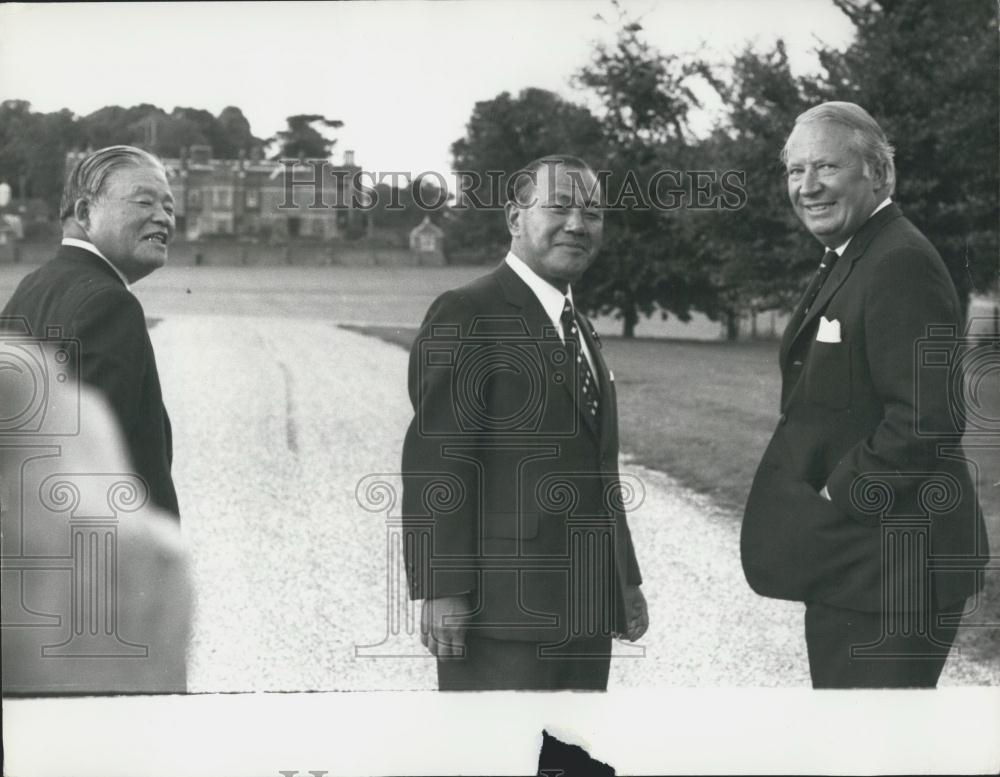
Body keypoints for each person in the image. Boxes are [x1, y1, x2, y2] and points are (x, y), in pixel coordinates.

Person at [741, 102, 988, 688]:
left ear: (879, 173)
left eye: (825, 166)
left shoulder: (898, 260)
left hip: (893, 575)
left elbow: (928, 419)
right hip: (863, 569)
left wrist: (834, 493)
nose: (807, 186)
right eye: (794, 171)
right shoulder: (854, 255)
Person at [401, 155, 647, 690]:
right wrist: (442, 588)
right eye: (558, 207)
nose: (578, 225)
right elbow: (437, 461)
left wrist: (623, 582)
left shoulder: (577, 324)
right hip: (501, 619)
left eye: (593, 213)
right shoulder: (468, 312)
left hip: (584, 612)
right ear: (515, 219)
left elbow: (597, 470)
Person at [1, 145, 180, 518]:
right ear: (84, 212)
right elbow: (89, 469)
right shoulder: (111, 306)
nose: (163, 218)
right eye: (144, 202)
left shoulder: (32, 287)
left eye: (169, 206)